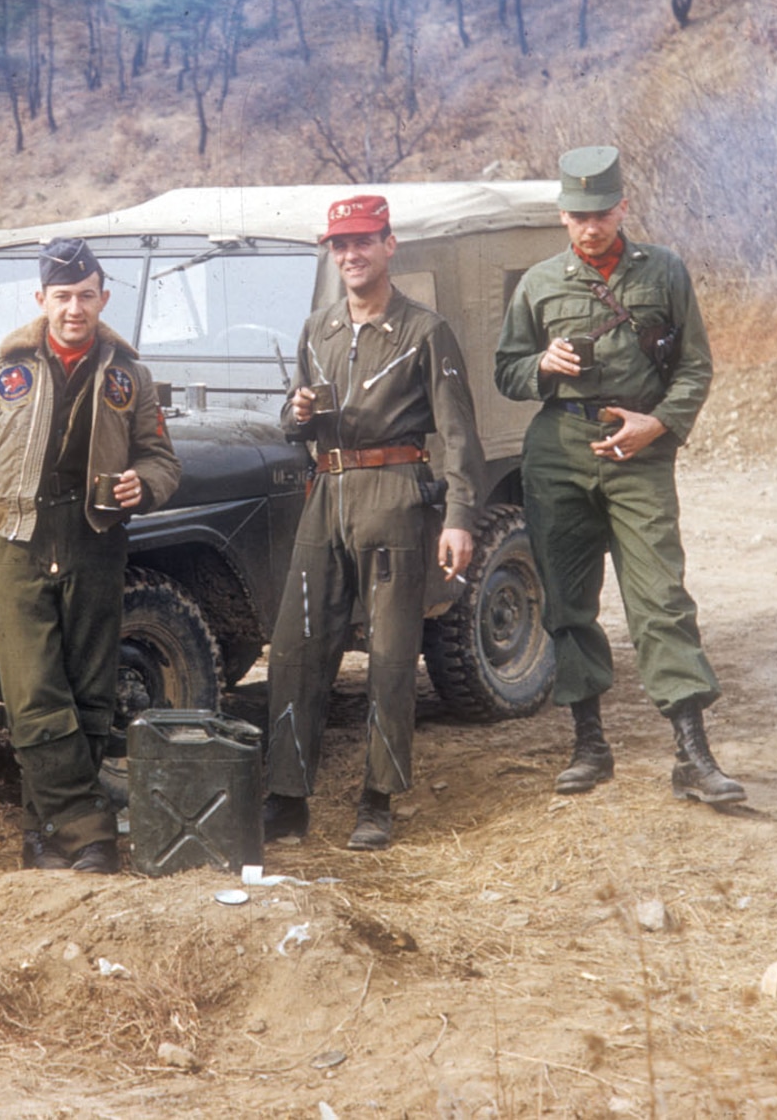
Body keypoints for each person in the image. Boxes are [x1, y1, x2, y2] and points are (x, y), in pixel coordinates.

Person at [492, 146, 744, 804]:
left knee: (661, 598)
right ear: (561, 216)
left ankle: (692, 753)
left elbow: (695, 367)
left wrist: (657, 425)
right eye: (577, 215)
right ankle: (589, 745)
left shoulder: (663, 271)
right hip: (559, 451)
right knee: (568, 603)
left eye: (600, 212)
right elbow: (507, 371)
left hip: (640, 450)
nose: (589, 226)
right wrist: (542, 363)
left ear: (622, 208)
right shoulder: (538, 284)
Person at [0, 238, 181, 875]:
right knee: (35, 693)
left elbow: (162, 459)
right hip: (17, 540)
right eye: (63, 296)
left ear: (104, 298)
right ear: (41, 299)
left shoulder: (132, 375)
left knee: (90, 694)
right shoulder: (0, 366)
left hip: (95, 540)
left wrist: (143, 484)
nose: (75, 308)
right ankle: (91, 835)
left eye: (86, 296)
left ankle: (42, 835)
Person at [260, 195, 486, 851]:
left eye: (363, 242)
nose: (351, 255)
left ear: (390, 245)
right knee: (297, 650)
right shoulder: (317, 329)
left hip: (393, 496)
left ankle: (377, 800)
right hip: (325, 493)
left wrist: (460, 517)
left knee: (389, 657)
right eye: (340, 245)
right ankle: (285, 799)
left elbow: (459, 435)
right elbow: (290, 423)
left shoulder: (425, 331)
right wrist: (297, 412)